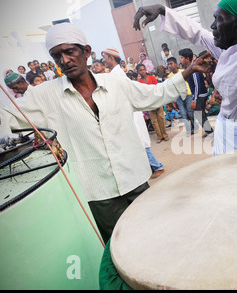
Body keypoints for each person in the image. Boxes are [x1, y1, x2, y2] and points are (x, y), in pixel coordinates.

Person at [0, 23, 210, 244]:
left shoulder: (116, 83)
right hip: (98, 194)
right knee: (120, 247)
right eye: (56, 55)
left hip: (135, 179)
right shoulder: (44, 96)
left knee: (156, 238)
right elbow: (7, 117)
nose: (64, 60)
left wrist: (189, 70)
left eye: (69, 51)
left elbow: (157, 93)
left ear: (87, 52)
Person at [133, 0, 237, 155]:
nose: (213, 25)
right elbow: (197, 33)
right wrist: (163, 10)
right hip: (225, 132)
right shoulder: (228, 48)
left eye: (219, 20)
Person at [102, 47, 167, 174]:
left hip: (130, 113)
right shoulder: (114, 74)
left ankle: (157, 166)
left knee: (140, 142)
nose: (103, 61)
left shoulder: (117, 75)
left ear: (111, 58)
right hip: (127, 113)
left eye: (104, 57)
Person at [179, 48, 214, 138]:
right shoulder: (190, 68)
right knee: (201, 114)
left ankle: (210, 132)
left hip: (199, 95)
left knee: (199, 114)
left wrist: (194, 100)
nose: (180, 60)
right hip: (200, 95)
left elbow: (197, 85)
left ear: (187, 58)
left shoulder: (193, 69)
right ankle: (209, 131)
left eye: (182, 58)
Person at [166, 56, 198, 136]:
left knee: (190, 112)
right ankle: (188, 130)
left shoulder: (183, 71)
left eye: (171, 64)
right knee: (183, 113)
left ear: (176, 64)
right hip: (179, 96)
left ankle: (195, 127)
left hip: (187, 94)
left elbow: (189, 81)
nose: (170, 66)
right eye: (168, 64)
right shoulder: (169, 76)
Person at [137, 63, 169, 143]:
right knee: (154, 121)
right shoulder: (139, 82)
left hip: (157, 100)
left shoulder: (152, 78)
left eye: (143, 69)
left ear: (146, 70)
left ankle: (165, 135)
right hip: (149, 103)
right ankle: (159, 136)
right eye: (140, 70)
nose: (142, 71)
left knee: (161, 117)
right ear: (138, 72)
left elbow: (157, 88)